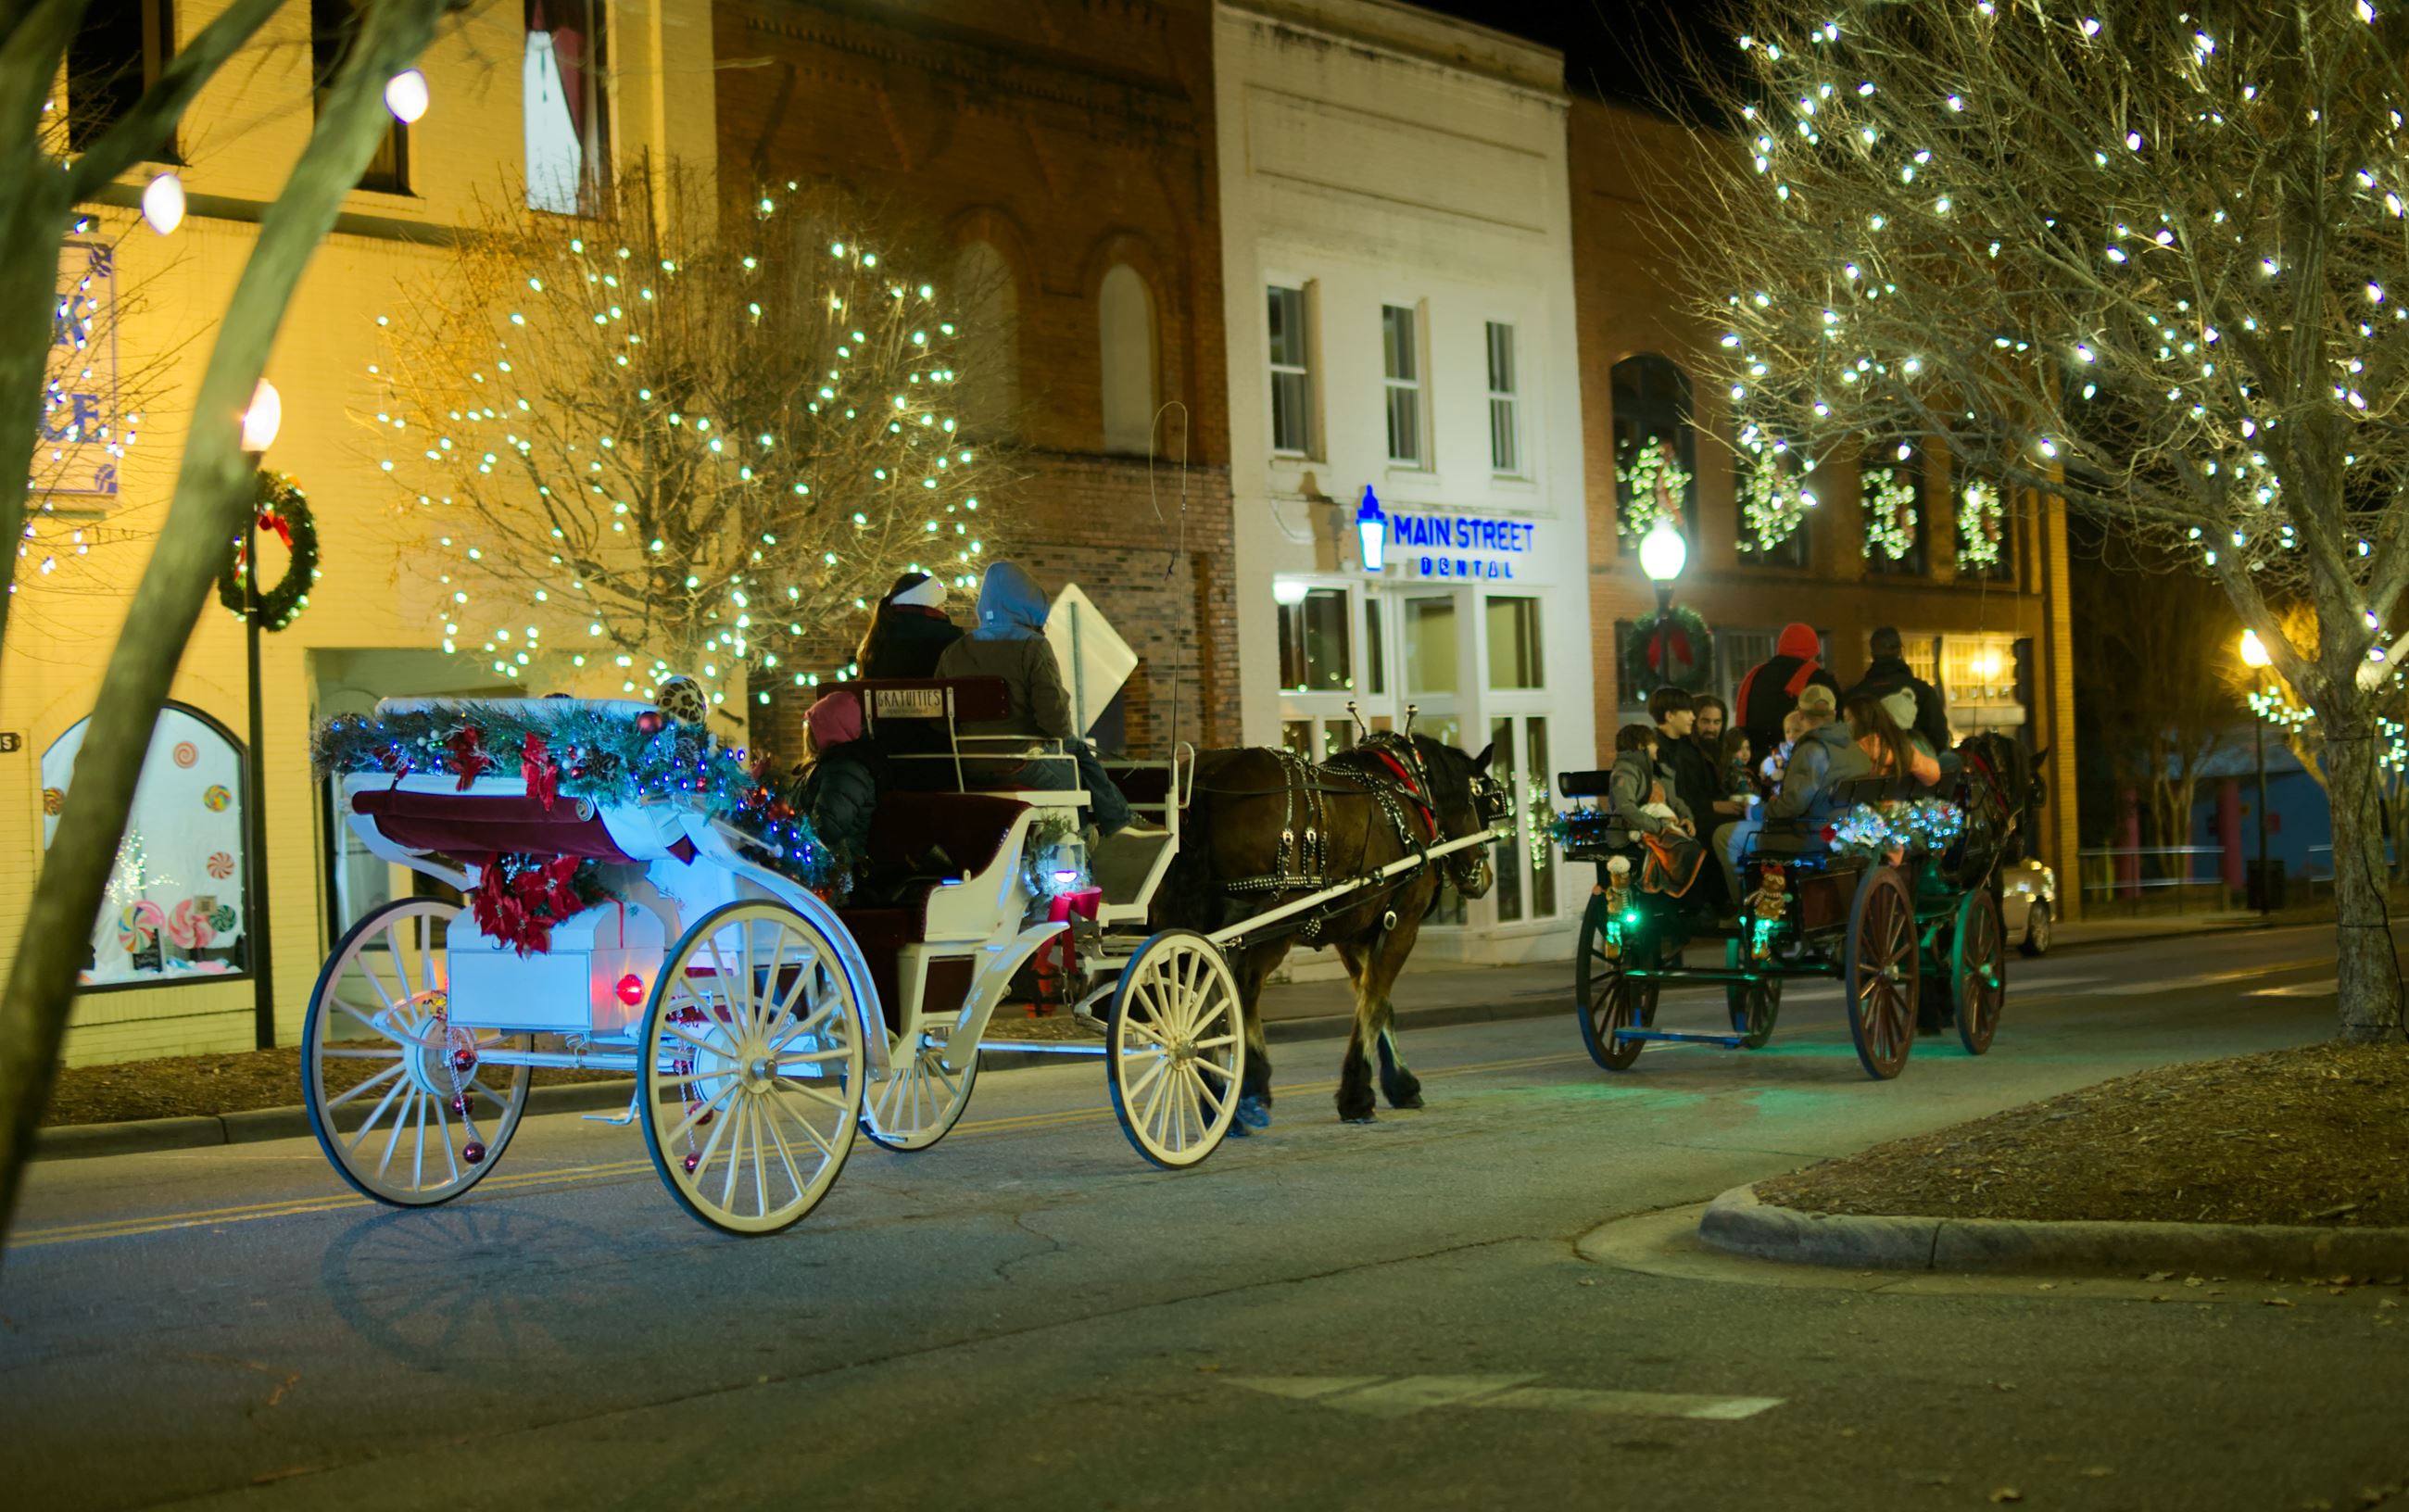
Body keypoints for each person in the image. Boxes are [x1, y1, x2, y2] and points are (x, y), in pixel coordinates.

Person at [934, 560, 1137, 836]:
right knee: (1073, 764)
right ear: (1029, 603)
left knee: (1074, 752)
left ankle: (1117, 822)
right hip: (1021, 763)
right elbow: (1056, 723)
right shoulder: (1033, 646)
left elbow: (939, 719)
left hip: (967, 765)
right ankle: (1086, 840)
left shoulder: (954, 651)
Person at [1714, 683, 1873, 903]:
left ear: (1800, 714)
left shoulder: (1812, 750)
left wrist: (1755, 811)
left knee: (1725, 836)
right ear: (1834, 713)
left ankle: (1748, 908)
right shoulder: (1854, 749)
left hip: (1808, 837)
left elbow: (1792, 805)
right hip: (1845, 832)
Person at [1734, 622, 1843, 761]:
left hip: (1755, 761)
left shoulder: (1755, 675)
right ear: (1812, 650)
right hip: (1801, 760)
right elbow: (1836, 722)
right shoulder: (1818, 678)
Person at [1845, 626, 1953, 758]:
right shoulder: (1921, 691)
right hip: (1914, 768)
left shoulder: (1855, 695)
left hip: (1869, 770)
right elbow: (1939, 736)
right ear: (1900, 651)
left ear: (1872, 653)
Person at [1650, 687, 1742, 825]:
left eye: (1717, 722)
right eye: (1705, 721)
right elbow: (1676, 799)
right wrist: (1714, 806)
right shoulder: (1671, 750)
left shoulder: (1721, 751)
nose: (1711, 729)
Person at [857, 572, 964, 680]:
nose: (944, 609)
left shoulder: (877, 639)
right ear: (932, 605)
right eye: (942, 604)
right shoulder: (950, 637)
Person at [1845, 693, 1940, 787]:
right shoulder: (1901, 745)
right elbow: (1933, 775)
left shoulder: (1855, 748)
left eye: (1847, 719)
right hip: (1901, 797)